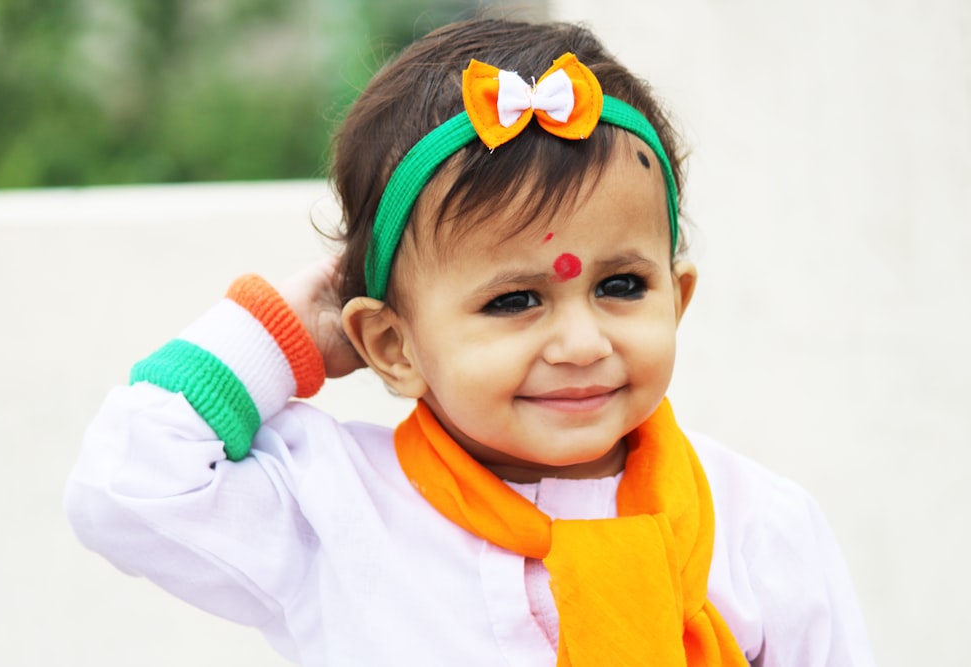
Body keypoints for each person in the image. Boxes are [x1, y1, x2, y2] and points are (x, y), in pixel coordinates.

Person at [65, 18, 875, 666]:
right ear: (391, 344)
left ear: (679, 295)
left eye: (622, 285)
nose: (581, 340)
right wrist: (286, 329)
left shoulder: (756, 525)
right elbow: (128, 484)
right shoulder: (337, 508)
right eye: (515, 299)